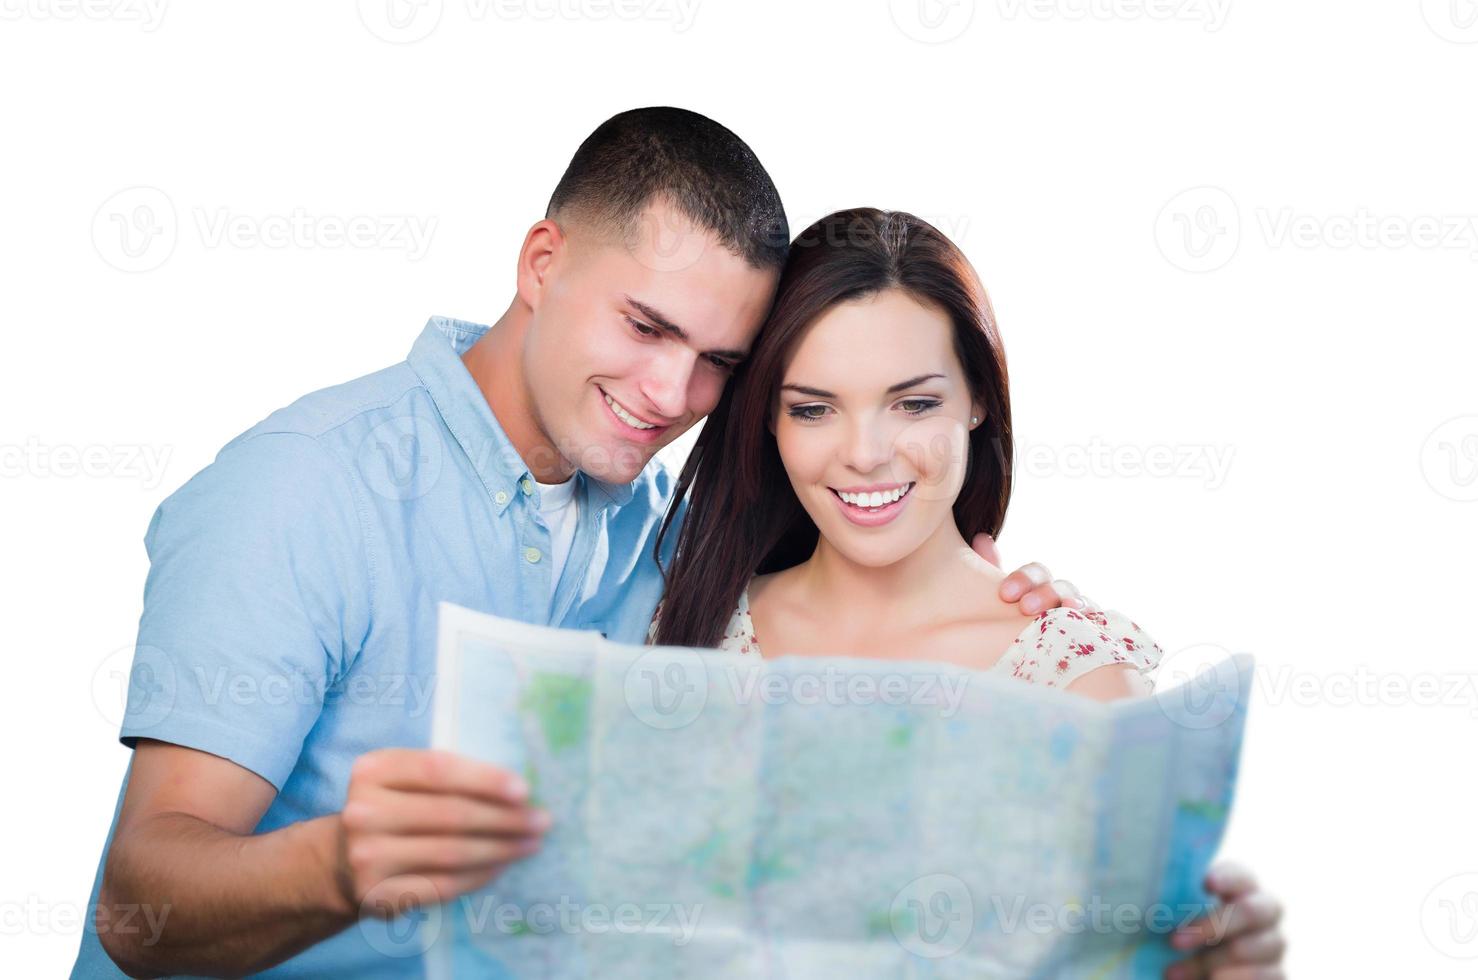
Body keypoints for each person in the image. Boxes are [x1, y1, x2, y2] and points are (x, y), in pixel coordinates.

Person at [73, 109, 1089, 979]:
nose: (669, 395)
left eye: (715, 363)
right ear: (541, 264)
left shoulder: (678, 538)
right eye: (645, 326)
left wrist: (975, 609)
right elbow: (140, 903)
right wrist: (341, 862)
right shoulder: (301, 489)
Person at [652, 208, 1286, 974]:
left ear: (978, 399)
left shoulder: (1074, 679)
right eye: (813, 409)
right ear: (769, 423)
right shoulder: (690, 628)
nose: (864, 454)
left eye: (913, 404)